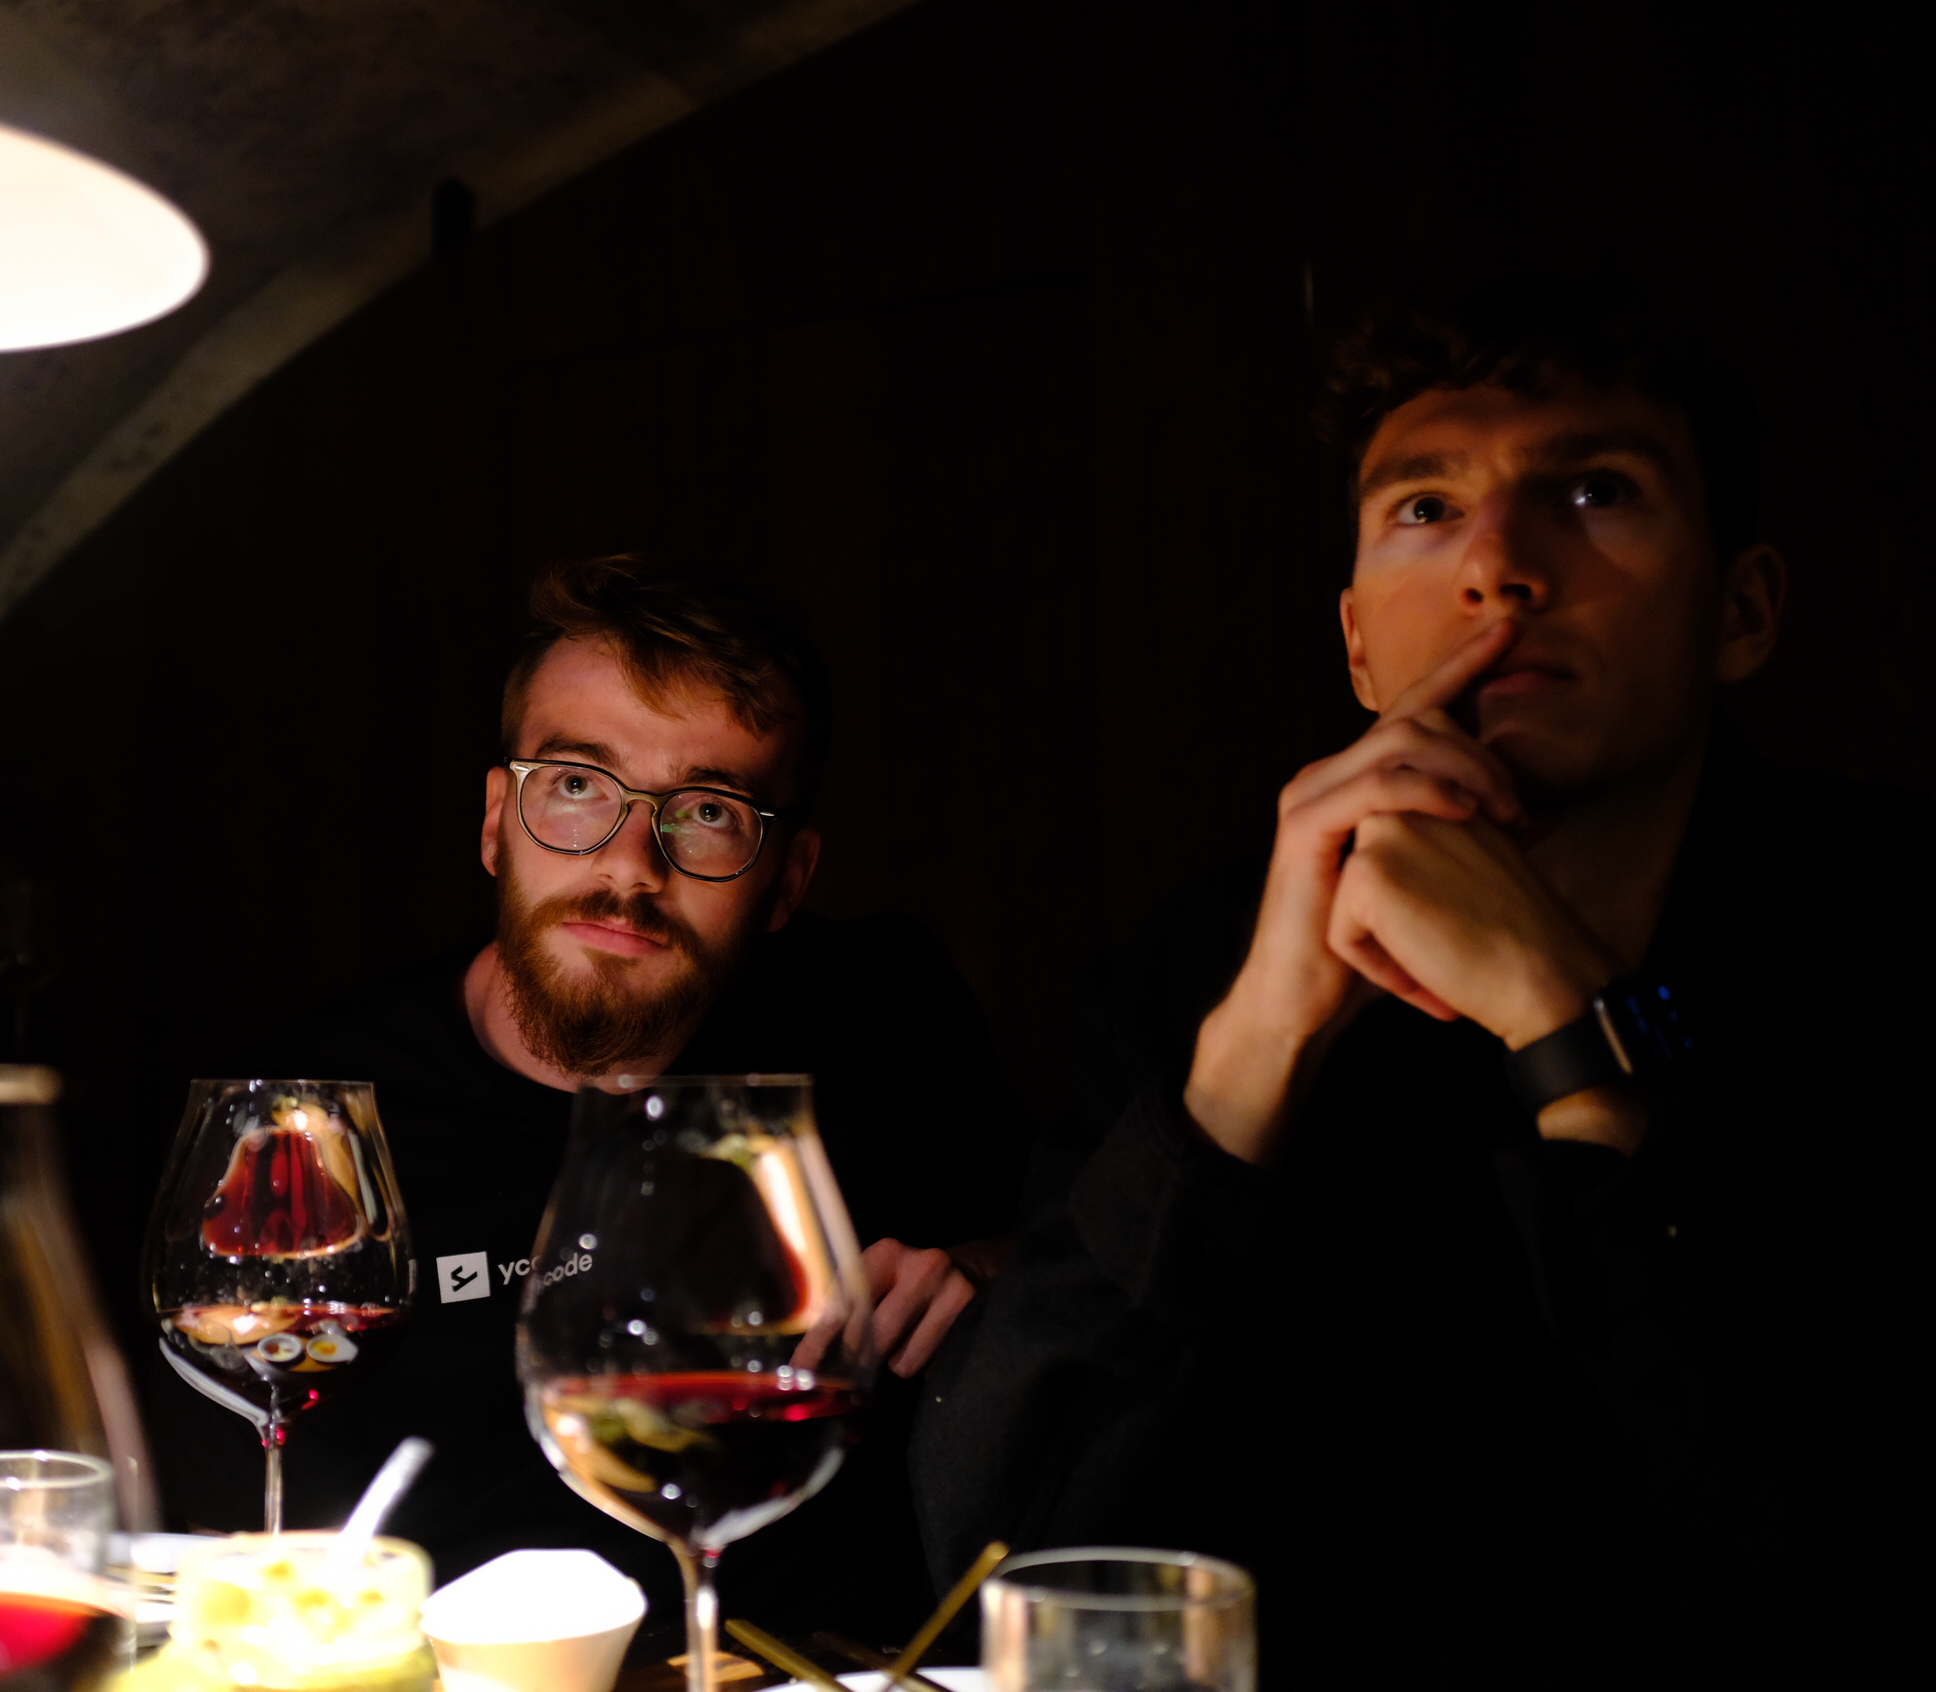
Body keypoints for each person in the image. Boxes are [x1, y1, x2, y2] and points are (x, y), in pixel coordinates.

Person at [913, 279, 1925, 1688]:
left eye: (1596, 493)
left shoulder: (1906, 935)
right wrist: (1245, 1062)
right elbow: (994, 1568)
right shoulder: (1194, 969)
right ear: (1356, 643)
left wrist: (1574, 1028)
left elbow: (1842, 1591)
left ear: (1741, 612)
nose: (1498, 570)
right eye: (1427, 509)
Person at [151, 556, 1023, 1642]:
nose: (629, 866)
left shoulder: (885, 1019)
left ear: (789, 878)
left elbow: (1090, 1264)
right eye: (576, 787)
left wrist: (985, 1269)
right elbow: (232, 1552)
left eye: (707, 811)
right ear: (495, 821)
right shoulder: (307, 1125)